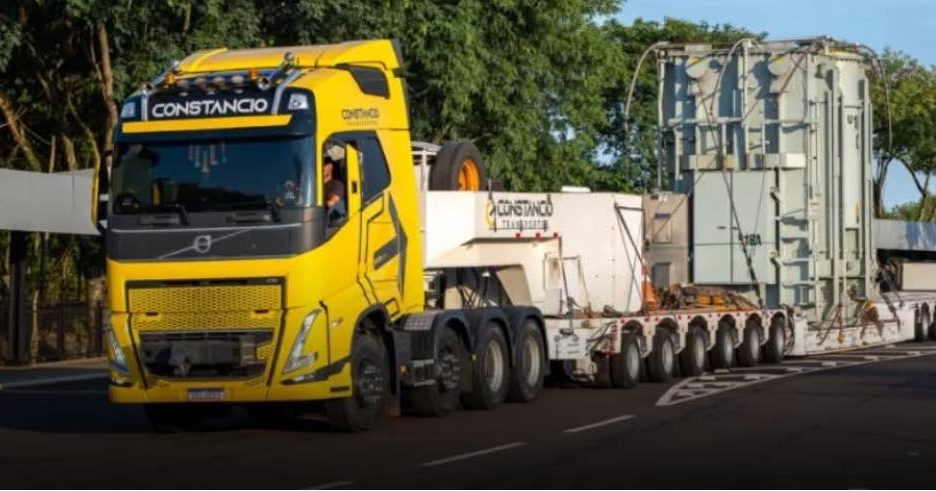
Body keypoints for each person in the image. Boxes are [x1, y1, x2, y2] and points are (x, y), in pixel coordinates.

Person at [323, 144, 347, 223]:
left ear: (331, 166)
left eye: (325, 163)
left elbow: (330, 203)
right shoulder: (315, 185)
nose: (322, 166)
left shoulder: (337, 184)